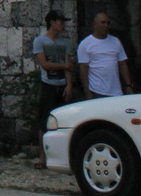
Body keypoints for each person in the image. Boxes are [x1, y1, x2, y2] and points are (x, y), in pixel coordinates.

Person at [33, 9, 73, 169]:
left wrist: (69, 85)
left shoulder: (65, 43)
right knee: (44, 122)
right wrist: (64, 65)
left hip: (62, 85)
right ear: (52, 23)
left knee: (65, 122)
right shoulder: (40, 41)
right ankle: (42, 157)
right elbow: (45, 64)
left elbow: (68, 68)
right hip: (48, 85)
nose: (63, 25)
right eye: (61, 22)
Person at [77, 13, 134, 99]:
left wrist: (129, 85)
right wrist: (87, 91)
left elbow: (122, 64)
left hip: (116, 92)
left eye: (108, 23)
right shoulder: (85, 44)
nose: (106, 26)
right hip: (96, 91)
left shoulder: (116, 41)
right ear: (94, 24)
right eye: (103, 23)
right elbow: (83, 69)